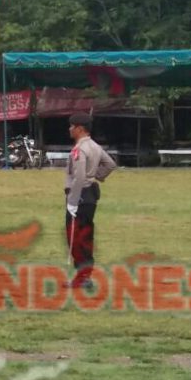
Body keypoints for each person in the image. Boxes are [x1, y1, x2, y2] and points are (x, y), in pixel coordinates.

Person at [64, 113, 117, 290]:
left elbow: (78, 177)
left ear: (79, 128)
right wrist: (95, 176)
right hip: (90, 195)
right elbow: (110, 164)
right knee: (86, 235)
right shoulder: (95, 146)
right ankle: (85, 275)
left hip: (79, 195)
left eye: (72, 126)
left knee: (75, 237)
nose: (70, 129)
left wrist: (72, 200)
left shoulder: (79, 149)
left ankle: (82, 277)